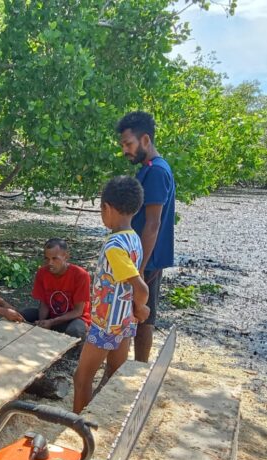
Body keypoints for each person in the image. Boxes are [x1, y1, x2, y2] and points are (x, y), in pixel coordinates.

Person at [73, 176, 150, 413]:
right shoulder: (134, 237)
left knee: (82, 377)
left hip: (107, 323)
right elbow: (138, 274)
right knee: (115, 376)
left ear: (107, 207)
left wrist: (141, 307)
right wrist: (134, 311)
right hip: (124, 321)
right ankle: (101, 417)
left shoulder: (114, 245)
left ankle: (76, 427)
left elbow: (140, 287)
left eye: (101, 209)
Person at [117, 111, 176, 362]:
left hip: (147, 260)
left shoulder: (157, 172)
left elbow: (153, 224)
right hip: (141, 258)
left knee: (143, 318)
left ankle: (139, 369)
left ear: (145, 140)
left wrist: (138, 268)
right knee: (138, 314)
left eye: (128, 144)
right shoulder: (148, 168)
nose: (125, 151)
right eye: (122, 145)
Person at [21, 238, 91, 338]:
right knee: (21, 314)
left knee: (75, 330)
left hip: (74, 318)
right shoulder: (42, 273)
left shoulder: (81, 275)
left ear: (66, 256)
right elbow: (44, 303)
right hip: (51, 315)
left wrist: (51, 322)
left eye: (55, 259)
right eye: (47, 258)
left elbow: (78, 311)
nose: (50, 263)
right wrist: (42, 321)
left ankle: (76, 349)